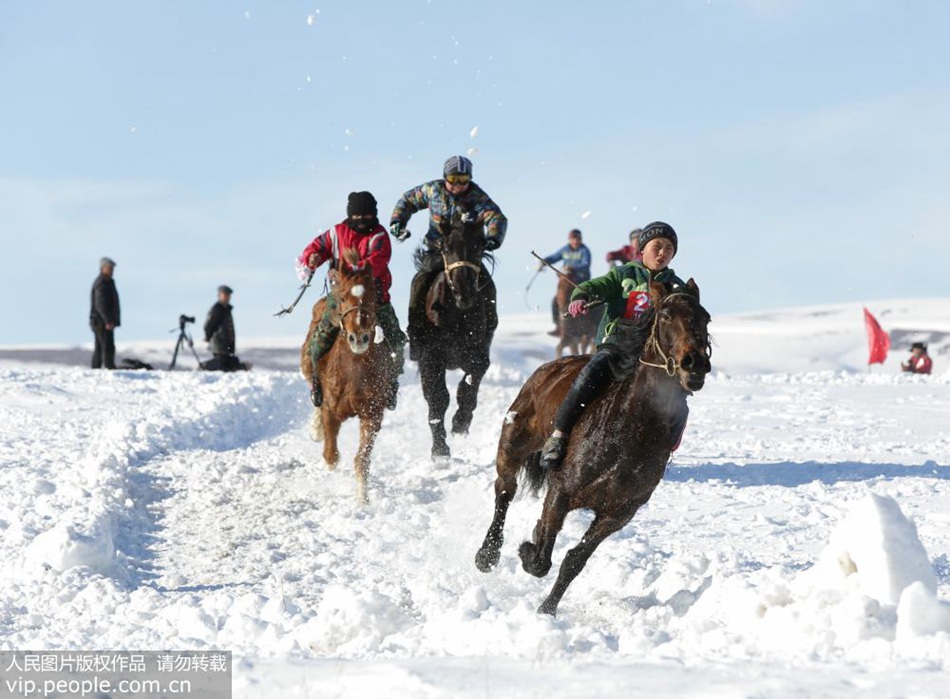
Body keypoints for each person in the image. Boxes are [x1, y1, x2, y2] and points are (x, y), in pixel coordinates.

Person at [540, 222, 687, 470]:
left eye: (669, 249)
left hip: (654, 356)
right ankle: (559, 435)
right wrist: (580, 297)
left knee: (679, 399)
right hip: (617, 346)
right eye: (657, 246)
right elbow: (594, 286)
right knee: (588, 376)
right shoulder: (623, 275)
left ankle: (663, 450)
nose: (662, 252)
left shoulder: (675, 286)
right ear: (642, 250)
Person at [390, 155, 507, 359]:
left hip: (468, 254)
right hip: (437, 250)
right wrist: (398, 221)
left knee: (488, 285)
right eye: (454, 180)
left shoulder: (477, 196)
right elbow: (408, 200)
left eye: (463, 180)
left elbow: (496, 216)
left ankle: (489, 327)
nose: (458, 185)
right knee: (420, 282)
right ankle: (417, 333)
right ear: (445, 177)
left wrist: (493, 238)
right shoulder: (433, 190)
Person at [299, 191, 406, 409]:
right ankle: (317, 383)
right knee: (319, 339)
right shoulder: (336, 234)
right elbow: (317, 247)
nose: (362, 222)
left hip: (375, 298)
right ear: (350, 215)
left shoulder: (379, 236)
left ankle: (392, 382)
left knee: (396, 339)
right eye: (357, 218)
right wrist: (313, 258)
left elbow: (378, 261)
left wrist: (349, 268)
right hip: (342, 300)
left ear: (373, 215)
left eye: (367, 218)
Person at [540, 229, 592, 335]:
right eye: (573, 239)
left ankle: (586, 326)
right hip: (567, 281)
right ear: (569, 240)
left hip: (580, 281)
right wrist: (545, 261)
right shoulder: (565, 250)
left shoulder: (584, 250)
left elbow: (586, 264)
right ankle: (558, 326)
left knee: (583, 300)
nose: (576, 241)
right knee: (556, 301)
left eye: (578, 239)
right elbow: (555, 257)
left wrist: (573, 268)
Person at [202, 285, 248, 371]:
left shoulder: (226, 309)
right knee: (222, 363)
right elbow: (208, 325)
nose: (227, 297)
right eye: (225, 295)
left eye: (228, 295)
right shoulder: (217, 309)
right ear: (220, 295)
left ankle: (242, 367)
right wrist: (209, 337)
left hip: (226, 345)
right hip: (219, 344)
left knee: (229, 363)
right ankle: (205, 367)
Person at [89, 257, 120, 370]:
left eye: (112, 269)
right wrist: (107, 320)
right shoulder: (101, 283)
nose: (111, 271)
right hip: (101, 322)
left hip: (102, 321)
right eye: (109, 268)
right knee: (106, 346)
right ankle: (109, 367)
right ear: (103, 268)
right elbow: (100, 304)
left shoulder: (108, 283)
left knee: (100, 346)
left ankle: (98, 368)